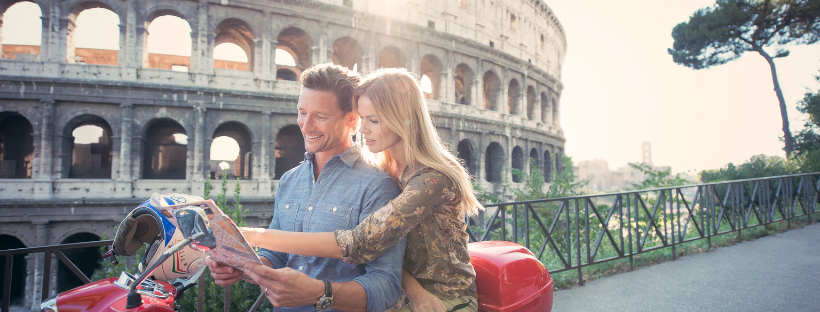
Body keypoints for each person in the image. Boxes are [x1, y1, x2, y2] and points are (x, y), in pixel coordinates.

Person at [241, 68, 482, 312]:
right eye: (363, 118)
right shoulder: (387, 169)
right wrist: (412, 288)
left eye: (374, 120)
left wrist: (251, 235)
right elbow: (385, 245)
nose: (363, 129)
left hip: (447, 298)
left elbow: (362, 242)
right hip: (408, 296)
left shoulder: (431, 179)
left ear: (404, 119)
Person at [206, 63, 406, 312]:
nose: (306, 125)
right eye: (302, 112)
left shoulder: (378, 185)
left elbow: (387, 286)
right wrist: (245, 265)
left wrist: (318, 293)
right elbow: (276, 255)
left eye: (320, 116)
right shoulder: (289, 181)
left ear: (351, 119)